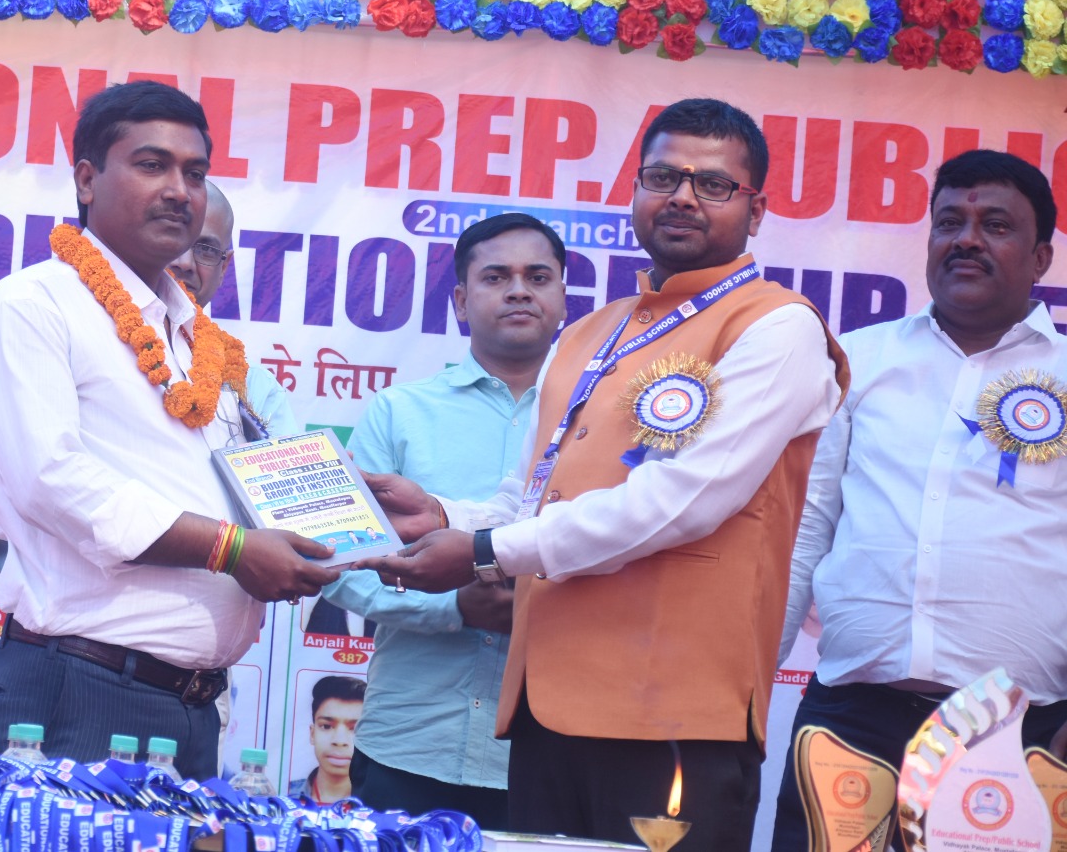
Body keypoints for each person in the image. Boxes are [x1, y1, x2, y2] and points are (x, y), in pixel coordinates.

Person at [354, 98, 848, 850]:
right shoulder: (590, 332)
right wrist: (445, 516)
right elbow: (531, 496)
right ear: (636, 191)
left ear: (756, 210)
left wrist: (483, 551)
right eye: (663, 177)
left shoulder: (778, 327)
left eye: (713, 184)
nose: (682, 197)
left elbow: (681, 500)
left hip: (675, 716)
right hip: (548, 708)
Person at [0, 80, 337, 775]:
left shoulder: (197, 338)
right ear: (86, 179)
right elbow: (55, 482)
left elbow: (231, 483)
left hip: (190, 706)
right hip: (78, 693)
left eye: (194, 173)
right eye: (152, 165)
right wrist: (231, 549)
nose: (178, 191)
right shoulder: (32, 306)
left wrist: (361, 519)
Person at [770, 150, 1067, 852]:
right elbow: (806, 532)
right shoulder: (858, 360)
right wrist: (749, 689)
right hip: (850, 721)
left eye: (996, 225)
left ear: (1041, 258)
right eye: (949, 222)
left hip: (1021, 731)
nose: (966, 239)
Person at [323, 213, 567, 829]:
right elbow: (344, 566)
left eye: (538, 277)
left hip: (548, 750)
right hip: (410, 741)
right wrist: (455, 607)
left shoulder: (600, 421)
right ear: (460, 301)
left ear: (564, 298)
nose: (519, 291)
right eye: (496, 277)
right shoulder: (400, 412)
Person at [169, 181, 299, 435]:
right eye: (174, 242)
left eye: (205, 249)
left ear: (224, 268)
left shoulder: (255, 387)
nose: (184, 263)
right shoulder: (101, 346)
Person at [287, 676, 366, 804]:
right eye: (326, 726)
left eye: (355, 729)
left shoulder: (383, 806)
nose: (339, 741)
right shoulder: (283, 796)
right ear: (312, 734)